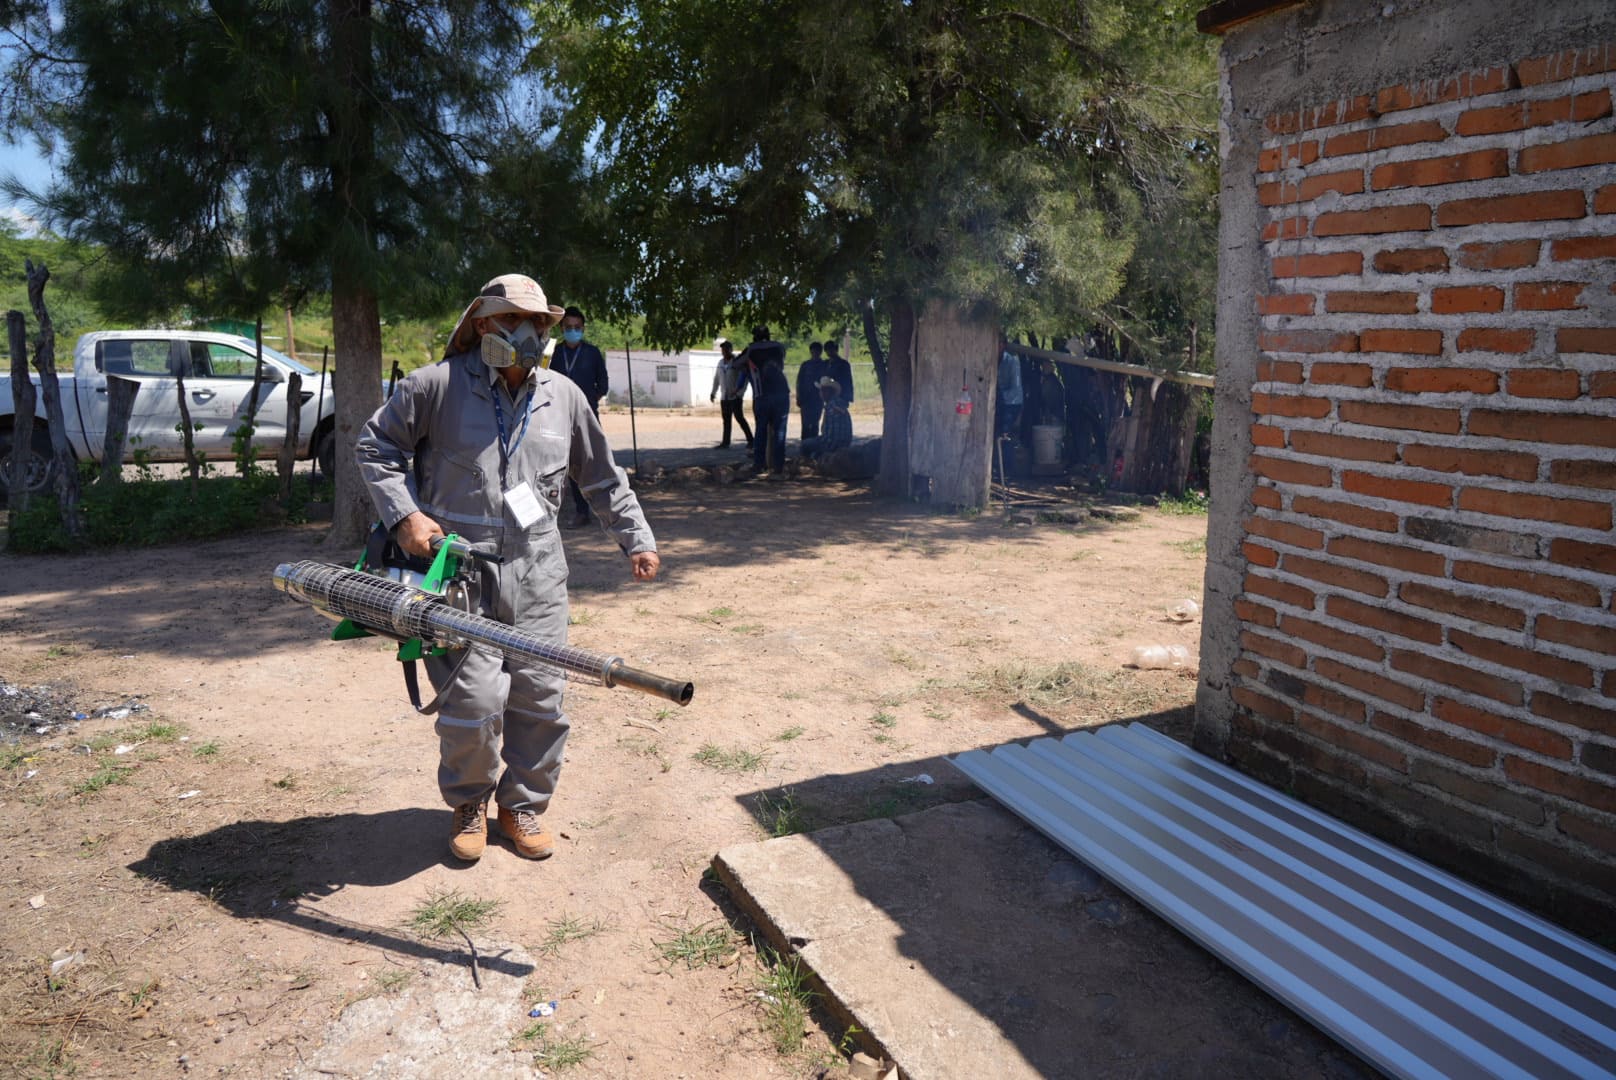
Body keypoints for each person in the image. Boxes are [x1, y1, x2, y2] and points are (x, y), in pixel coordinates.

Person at [356, 273, 660, 863]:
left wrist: (635, 538)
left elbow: (600, 476)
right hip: (457, 576)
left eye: (536, 323)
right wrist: (405, 518)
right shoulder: (434, 387)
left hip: (539, 572)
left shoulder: (564, 396)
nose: (524, 333)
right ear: (480, 326)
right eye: (509, 322)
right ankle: (469, 801)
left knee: (541, 700)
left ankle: (522, 805)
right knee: (471, 704)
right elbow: (375, 447)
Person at [551, 306, 611, 527]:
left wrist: (590, 400)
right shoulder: (554, 354)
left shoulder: (592, 353)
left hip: (587, 416)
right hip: (558, 416)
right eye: (568, 327)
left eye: (577, 327)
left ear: (583, 328)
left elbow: (603, 382)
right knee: (562, 464)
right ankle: (579, 511)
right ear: (562, 328)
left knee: (591, 462)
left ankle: (602, 509)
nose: (573, 331)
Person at [744, 325, 790, 473]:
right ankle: (778, 466)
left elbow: (736, 363)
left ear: (755, 336)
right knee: (780, 431)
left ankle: (759, 464)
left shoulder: (751, 349)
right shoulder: (778, 346)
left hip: (762, 394)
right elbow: (782, 359)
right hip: (781, 392)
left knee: (761, 430)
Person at [708, 338, 753, 449]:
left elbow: (745, 378)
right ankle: (725, 442)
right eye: (722, 350)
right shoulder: (720, 363)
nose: (724, 352)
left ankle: (751, 440)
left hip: (735, 396)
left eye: (726, 349)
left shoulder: (737, 362)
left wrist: (740, 393)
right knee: (726, 420)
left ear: (731, 350)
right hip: (724, 397)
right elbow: (717, 379)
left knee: (739, 418)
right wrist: (713, 392)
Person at [799, 376, 852, 460]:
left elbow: (830, 437)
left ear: (826, 392)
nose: (820, 393)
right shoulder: (838, 403)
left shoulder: (831, 406)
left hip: (832, 444)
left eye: (821, 390)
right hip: (844, 443)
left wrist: (826, 450)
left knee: (804, 445)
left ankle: (806, 464)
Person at [795, 341, 829, 440]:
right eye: (813, 351)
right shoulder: (805, 365)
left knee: (815, 423)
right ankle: (804, 446)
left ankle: (813, 447)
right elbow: (799, 382)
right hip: (806, 398)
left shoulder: (824, 364)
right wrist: (799, 397)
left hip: (818, 398)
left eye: (817, 351)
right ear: (811, 351)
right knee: (805, 424)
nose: (815, 353)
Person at [824, 338, 854, 404]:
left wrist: (847, 396)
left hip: (841, 395)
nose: (829, 351)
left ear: (836, 350)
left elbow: (847, 381)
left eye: (831, 349)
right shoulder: (826, 363)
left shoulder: (843, 364)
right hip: (829, 395)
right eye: (827, 349)